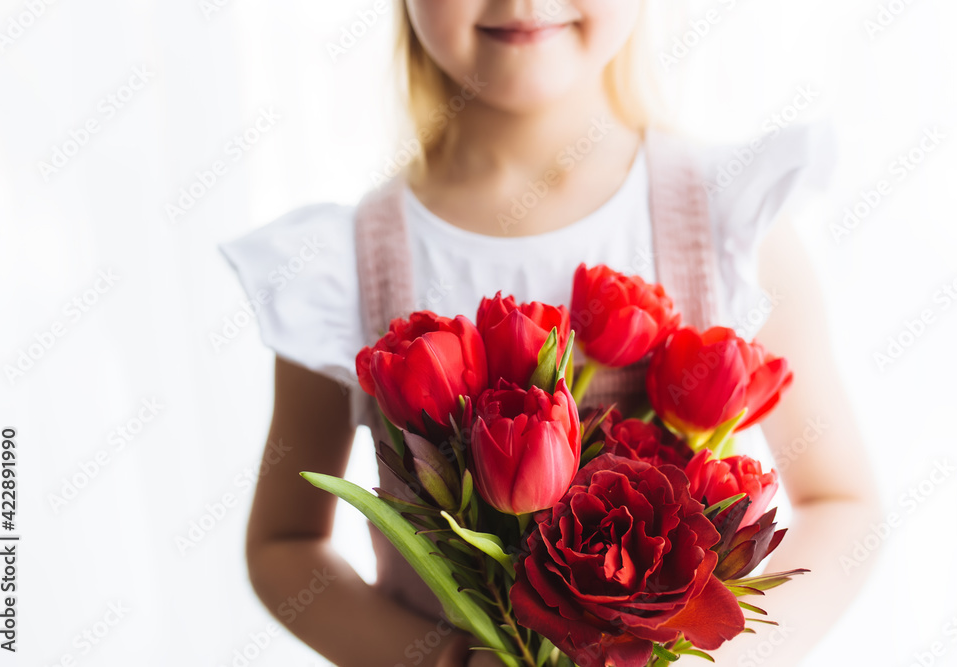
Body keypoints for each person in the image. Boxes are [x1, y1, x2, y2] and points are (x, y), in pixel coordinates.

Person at [219, 2, 880, 665]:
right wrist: (447, 660)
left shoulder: (730, 216)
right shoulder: (339, 266)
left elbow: (842, 502)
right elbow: (284, 543)